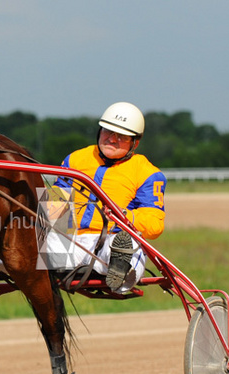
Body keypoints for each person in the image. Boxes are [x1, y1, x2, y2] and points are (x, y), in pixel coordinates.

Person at [44, 101, 166, 293]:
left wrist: (125, 216)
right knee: (12, 241)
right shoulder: (75, 159)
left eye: (122, 136)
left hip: (110, 241)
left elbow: (155, 225)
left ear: (136, 142)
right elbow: (56, 204)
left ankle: (118, 268)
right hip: (71, 241)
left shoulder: (148, 173)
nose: (112, 139)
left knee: (127, 243)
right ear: (99, 131)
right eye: (108, 131)